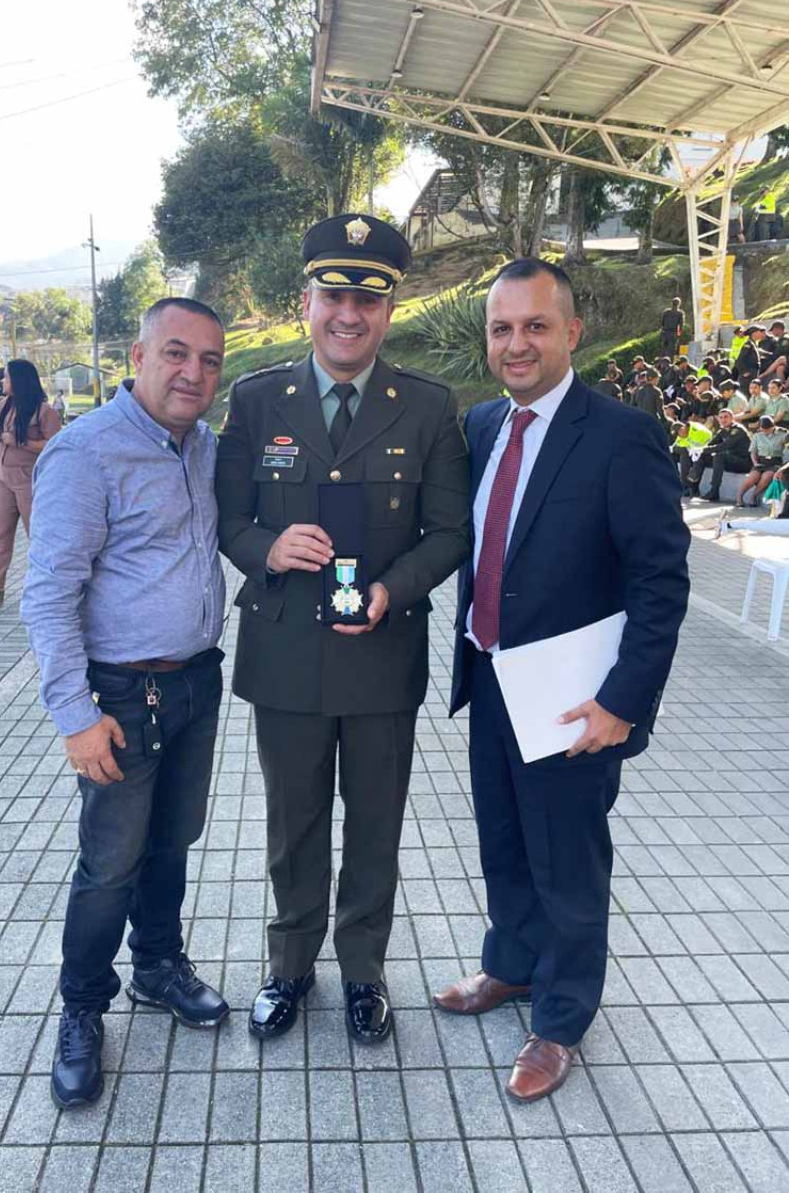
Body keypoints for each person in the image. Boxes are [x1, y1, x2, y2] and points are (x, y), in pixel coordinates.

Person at [433, 258, 689, 1104]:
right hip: (493, 681)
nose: (517, 344)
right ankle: (507, 968)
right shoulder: (479, 427)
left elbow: (660, 579)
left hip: (576, 701)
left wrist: (623, 700)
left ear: (571, 332)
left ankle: (561, 1019)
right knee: (503, 844)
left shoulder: (620, 434)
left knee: (569, 868)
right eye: (502, 328)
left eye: (535, 326)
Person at [216, 214, 469, 1046]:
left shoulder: (428, 408)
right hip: (285, 650)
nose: (348, 314)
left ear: (390, 309)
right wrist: (269, 547)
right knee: (292, 823)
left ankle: (363, 971)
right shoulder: (256, 401)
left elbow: (448, 532)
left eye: (368, 298)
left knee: (374, 825)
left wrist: (393, 592)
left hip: (381, 656)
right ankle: (288, 965)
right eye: (333, 296)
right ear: (305, 303)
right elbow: (227, 518)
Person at [20, 297, 229, 1110]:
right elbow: (48, 594)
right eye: (175, 353)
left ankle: (157, 966)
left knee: (173, 839)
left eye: (209, 360)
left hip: (194, 682)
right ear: (137, 356)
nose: (192, 373)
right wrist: (74, 715)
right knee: (110, 861)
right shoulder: (85, 453)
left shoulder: (204, 446)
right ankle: (79, 1009)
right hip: (117, 696)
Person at [0, 361, 61, 608]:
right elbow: (3, 435)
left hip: (30, 480)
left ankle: (51, 589)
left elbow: (54, 445)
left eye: (7, 377)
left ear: (20, 380)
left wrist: (19, 442)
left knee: (39, 536)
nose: (2, 381)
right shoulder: (2, 405)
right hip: (3, 477)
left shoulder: (44, 411)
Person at [680, 407, 752, 500]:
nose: (723, 420)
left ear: (732, 418)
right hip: (730, 459)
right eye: (721, 417)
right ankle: (693, 487)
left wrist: (701, 450)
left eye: (726, 417)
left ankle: (714, 490)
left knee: (719, 455)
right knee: (703, 455)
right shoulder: (722, 431)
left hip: (743, 462)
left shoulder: (738, 430)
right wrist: (699, 450)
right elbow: (710, 445)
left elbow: (724, 446)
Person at [736, 415, 786, 506]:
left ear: (773, 427)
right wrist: (755, 463)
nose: (765, 431)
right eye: (763, 429)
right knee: (752, 477)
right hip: (761, 461)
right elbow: (753, 452)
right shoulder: (757, 435)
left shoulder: (782, 434)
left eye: (767, 429)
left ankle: (753, 496)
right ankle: (739, 497)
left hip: (775, 461)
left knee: (767, 476)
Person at [734, 325, 763, 393]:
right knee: (745, 394)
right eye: (759, 332)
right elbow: (740, 359)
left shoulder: (754, 344)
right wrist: (744, 371)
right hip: (747, 377)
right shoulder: (748, 345)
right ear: (754, 333)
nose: (761, 334)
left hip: (753, 374)